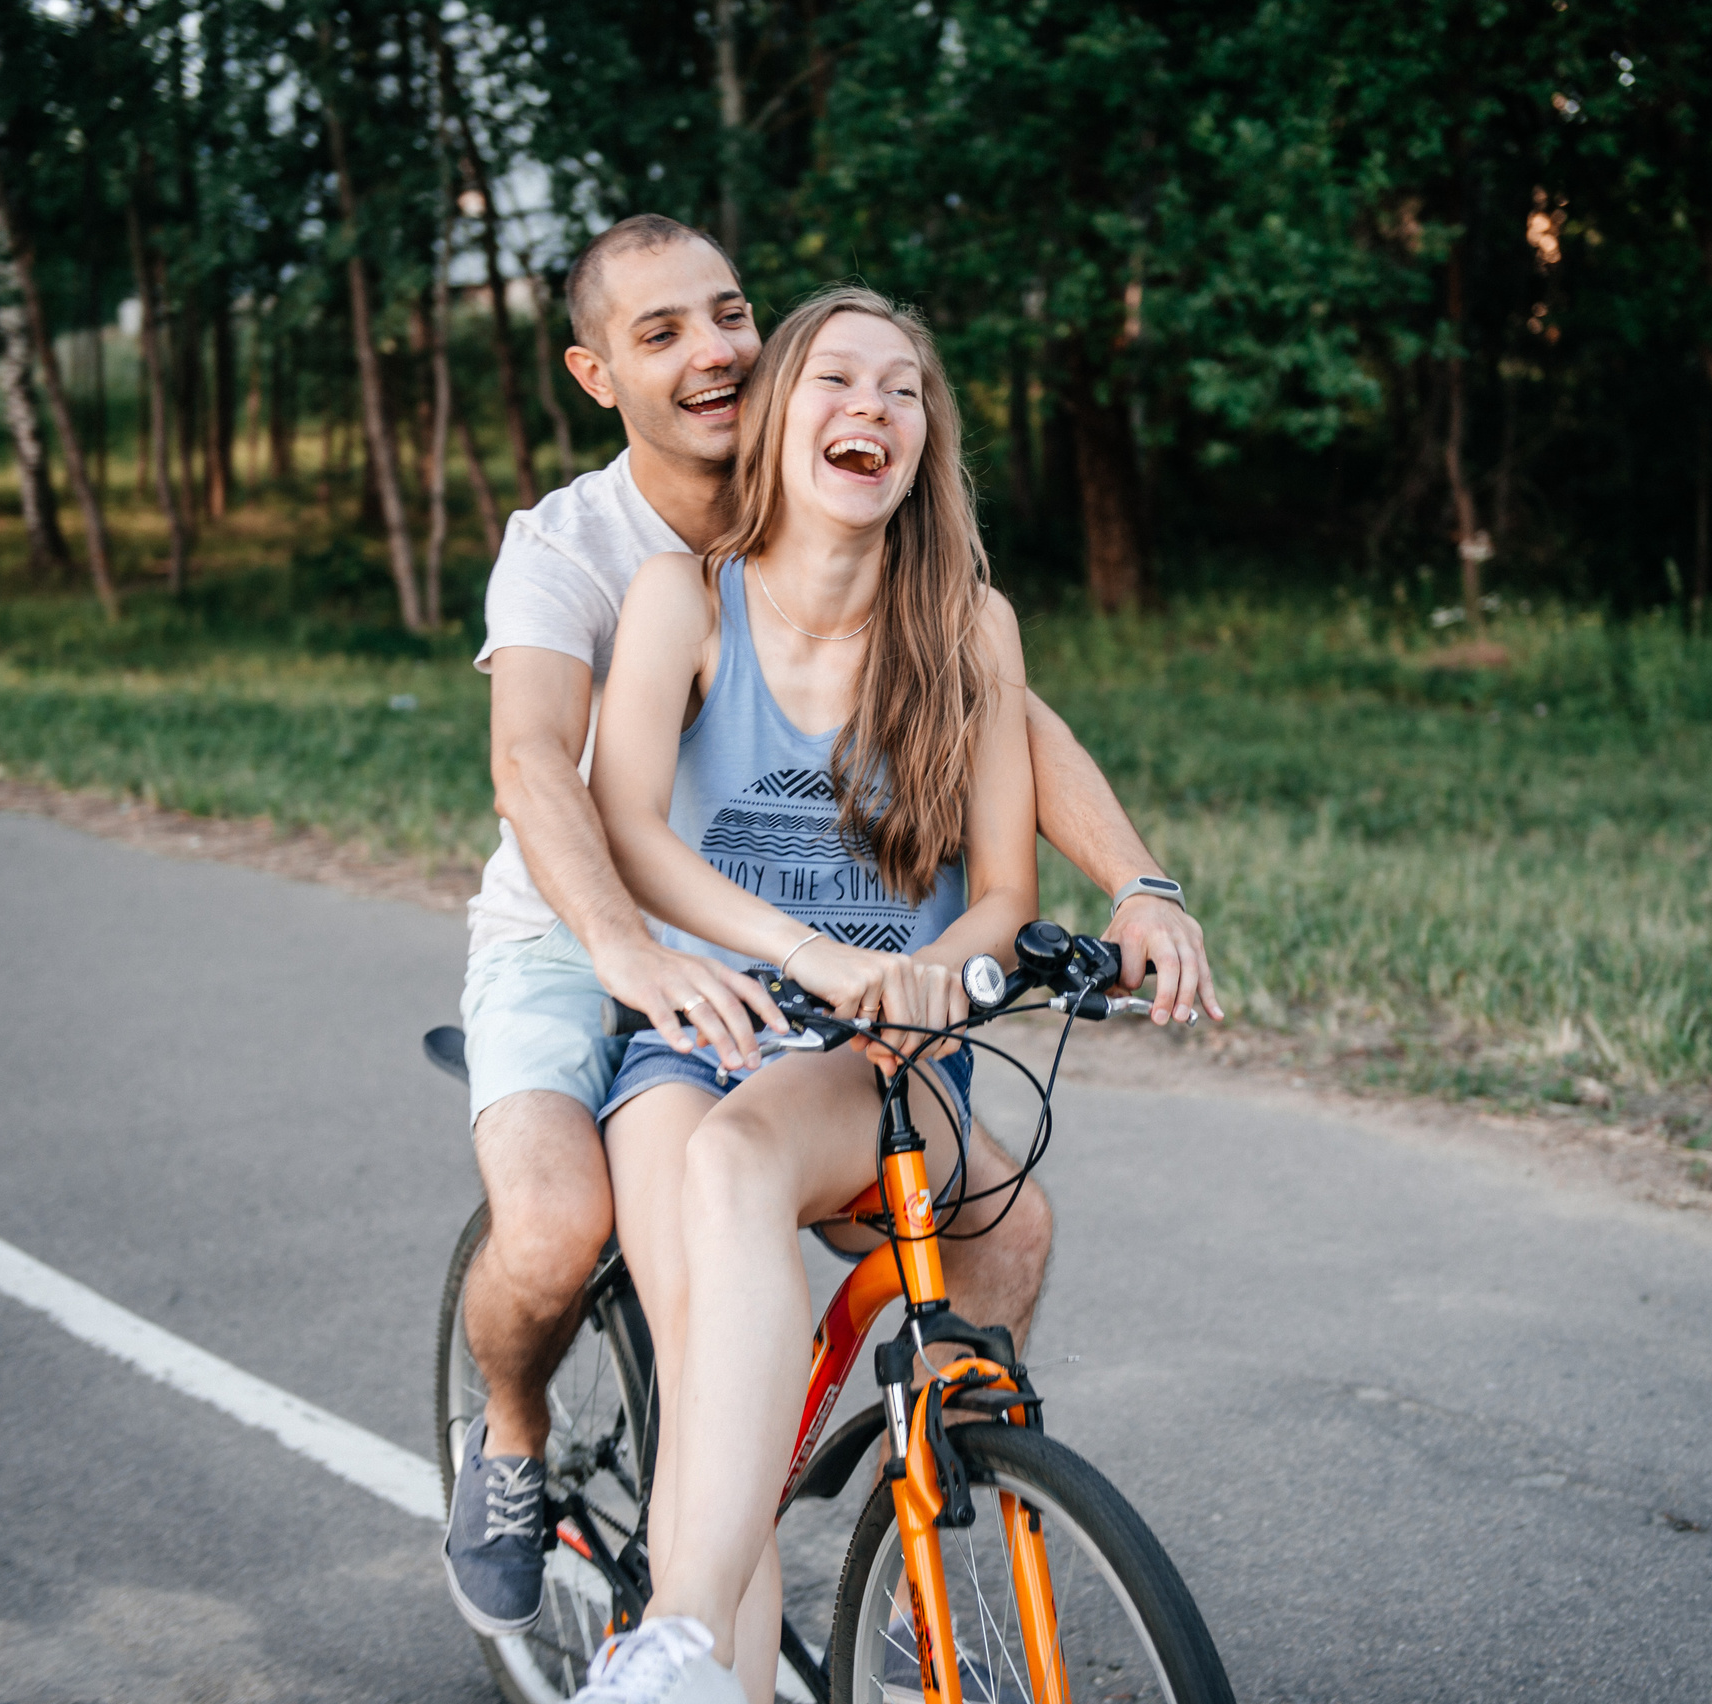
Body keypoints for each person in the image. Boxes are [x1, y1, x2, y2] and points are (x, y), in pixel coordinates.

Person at [444, 216, 1222, 1644]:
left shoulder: (887, 545)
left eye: (729, 313)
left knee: (1007, 1227)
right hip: (582, 927)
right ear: (596, 374)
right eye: (660, 332)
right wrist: (631, 951)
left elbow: (1010, 725)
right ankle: (514, 1445)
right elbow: (539, 770)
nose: (713, 351)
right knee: (560, 1226)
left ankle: (935, 1553)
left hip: (814, 979)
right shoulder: (586, 551)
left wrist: (1140, 885)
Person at [584, 284, 1030, 1704]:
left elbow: (1006, 893)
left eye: (904, 389)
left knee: (814, 1181)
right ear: (779, 418)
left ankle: (699, 1631)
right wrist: (802, 953)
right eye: (837, 378)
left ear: (924, 441)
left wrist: (929, 981)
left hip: (876, 1062)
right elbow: (627, 825)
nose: (872, 407)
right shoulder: (685, 599)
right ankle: (695, 1649)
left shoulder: (967, 627)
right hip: (701, 1035)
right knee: (713, 1356)